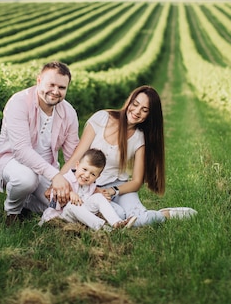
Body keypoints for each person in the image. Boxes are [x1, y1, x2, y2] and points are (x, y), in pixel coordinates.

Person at [54, 85, 197, 227]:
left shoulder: (139, 138)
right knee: (119, 217)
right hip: (89, 186)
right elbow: (76, 158)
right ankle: (131, 215)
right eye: (135, 104)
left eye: (144, 110)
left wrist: (113, 191)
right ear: (129, 101)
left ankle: (166, 214)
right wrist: (58, 179)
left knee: (138, 220)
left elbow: (136, 181)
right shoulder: (101, 118)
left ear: (150, 115)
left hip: (118, 186)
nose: (136, 111)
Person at [0, 61, 80, 226]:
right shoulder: (19, 102)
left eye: (62, 87)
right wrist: (55, 176)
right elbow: (21, 151)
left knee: (64, 204)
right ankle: (12, 213)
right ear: (39, 81)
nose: (55, 91)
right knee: (26, 179)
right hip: (12, 161)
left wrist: (77, 182)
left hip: (47, 168)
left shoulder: (69, 113)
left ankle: (27, 203)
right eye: (51, 84)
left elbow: (73, 154)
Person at [39, 148, 137, 230]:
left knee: (98, 197)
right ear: (77, 165)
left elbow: (88, 205)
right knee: (73, 205)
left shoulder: (91, 186)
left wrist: (103, 201)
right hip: (60, 216)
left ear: (98, 176)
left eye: (92, 174)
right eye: (84, 169)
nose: (86, 175)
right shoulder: (65, 180)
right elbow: (52, 203)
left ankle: (117, 223)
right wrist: (69, 194)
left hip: (80, 217)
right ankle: (104, 228)